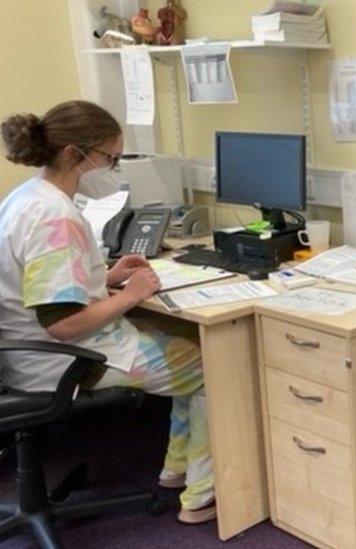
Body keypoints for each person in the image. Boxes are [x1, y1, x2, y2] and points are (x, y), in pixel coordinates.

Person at [0, 100, 216, 524]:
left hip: (22, 352)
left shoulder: (24, 198)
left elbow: (42, 284)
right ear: (72, 153)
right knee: (212, 361)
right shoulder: (55, 217)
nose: (113, 170)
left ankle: (176, 468)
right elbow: (63, 323)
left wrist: (107, 274)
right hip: (65, 360)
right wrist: (130, 294)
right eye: (110, 159)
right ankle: (201, 493)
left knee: (183, 343)